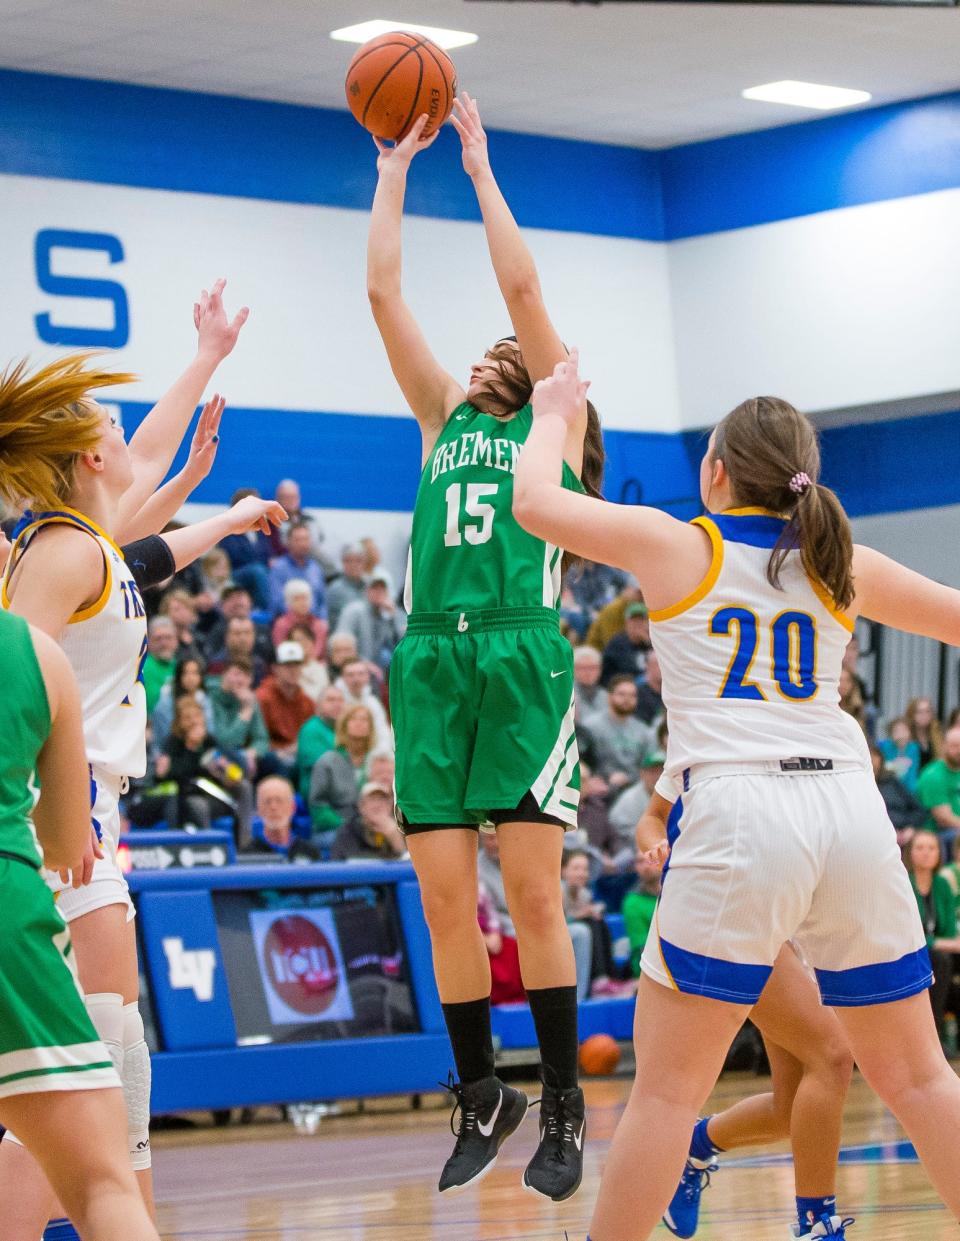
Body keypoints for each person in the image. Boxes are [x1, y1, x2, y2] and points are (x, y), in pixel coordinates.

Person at [513, 353, 960, 1239]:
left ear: (716, 472)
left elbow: (534, 506)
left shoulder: (679, 542)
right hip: (850, 811)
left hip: (740, 816)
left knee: (668, 1093)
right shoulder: (845, 562)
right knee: (921, 1078)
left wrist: (553, 414)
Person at [367, 94, 604, 1200]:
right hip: (429, 657)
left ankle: (562, 1094)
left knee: (537, 894)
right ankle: (480, 1088)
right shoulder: (439, 423)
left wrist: (477, 169)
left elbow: (521, 289)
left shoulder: (549, 423)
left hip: (517, 657)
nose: (490, 348)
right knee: (443, 896)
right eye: (488, 350)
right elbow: (382, 290)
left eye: (510, 348)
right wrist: (391, 168)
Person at [0, 319, 285, 1234]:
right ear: (89, 453)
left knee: (109, 1045)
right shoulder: (63, 549)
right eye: (115, 427)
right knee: (85, 1052)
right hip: (55, 810)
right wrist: (60, 797)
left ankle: (117, 1214)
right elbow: (17, 670)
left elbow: (147, 550)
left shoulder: (91, 540)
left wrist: (226, 510)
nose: (133, 435)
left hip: (85, 806)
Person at [0, 608, 161, 1241]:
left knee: (127, 1067)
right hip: (16, 893)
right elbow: (67, 843)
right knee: (100, 1179)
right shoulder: (34, 649)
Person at [636, 786, 855, 1240]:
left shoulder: (818, 742)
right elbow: (652, 816)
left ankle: (697, 1145)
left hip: (798, 917)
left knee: (788, 1108)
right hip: (738, 911)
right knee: (832, 1055)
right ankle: (817, 1224)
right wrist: (655, 845)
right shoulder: (713, 731)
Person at [906, 831, 960, 1039]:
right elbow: (905, 933)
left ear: (939, 853)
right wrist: (937, 942)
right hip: (910, 951)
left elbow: (949, 931)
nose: (926, 853)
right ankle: (933, 1037)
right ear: (910, 853)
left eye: (932, 848)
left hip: (940, 951)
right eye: (920, 848)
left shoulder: (942, 884)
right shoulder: (904, 883)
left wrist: (945, 942)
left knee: (944, 960)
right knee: (941, 960)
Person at [561, 849, 627, 998]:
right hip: (562, 937)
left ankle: (608, 978)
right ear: (563, 870)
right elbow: (555, 923)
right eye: (576, 868)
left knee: (598, 922)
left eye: (585, 869)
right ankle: (599, 981)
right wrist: (579, 915)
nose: (582, 873)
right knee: (589, 924)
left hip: (579, 931)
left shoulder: (585, 893)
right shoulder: (559, 890)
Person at [308, 703, 377, 834]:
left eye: (364, 719)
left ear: (371, 727)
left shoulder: (376, 760)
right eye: (353, 719)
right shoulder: (327, 761)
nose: (359, 723)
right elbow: (318, 805)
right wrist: (343, 825)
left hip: (373, 827)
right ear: (344, 725)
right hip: (336, 827)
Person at [208, 658, 271, 780]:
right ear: (224, 674)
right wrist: (245, 711)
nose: (241, 680)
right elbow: (224, 741)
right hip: (214, 753)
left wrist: (252, 752)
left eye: (247, 676)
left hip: (241, 753)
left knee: (273, 761)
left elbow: (262, 738)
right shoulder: (211, 696)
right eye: (236, 674)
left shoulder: (248, 697)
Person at [255, 640, 315, 769]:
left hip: (298, 753)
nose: (293, 670)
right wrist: (284, 750)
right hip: (271, 755)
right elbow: (258, 737)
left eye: (297, 665)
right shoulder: (263, 697)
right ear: (275, 668)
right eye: (287, 666)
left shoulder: (307, 702)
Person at [335, 568, 406, 672]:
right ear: (366, 591)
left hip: (376, 666)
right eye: (374, 588)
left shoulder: (386, 613)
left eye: (382, 589)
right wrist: (364, 663)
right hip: (353, 665)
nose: (379, 592)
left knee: (389, 657)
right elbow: (341, 644)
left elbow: (402, 642)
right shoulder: (353, 610)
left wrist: (393, 617)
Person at [589, 675, 652, 789]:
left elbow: (647, 765)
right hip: (600, 788)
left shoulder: (643, 730)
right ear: (609, 696)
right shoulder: (591, 727)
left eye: (632, 695)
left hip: (635, 787)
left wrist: (630, 779)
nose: (627, 699)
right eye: (621, 694)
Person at [150, 653, 213, 750]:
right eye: (185, 673)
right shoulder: (165, 704)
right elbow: (166, 737)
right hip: (171, 752)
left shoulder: (204, 699)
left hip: (202, 749)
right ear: (179, 676)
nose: (190, 678)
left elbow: (211, 730)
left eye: (195, 673)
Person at [330, 781, 406, 861]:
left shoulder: (402, 827)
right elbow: (349, 859)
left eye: (382, 799)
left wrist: (394, 836)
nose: (377, 805)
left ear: (390, 806)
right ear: (361, 806)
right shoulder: (349, 830)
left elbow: (408, 862)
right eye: (372, 800)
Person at [296, 684, 345, 803]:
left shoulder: (346, 728)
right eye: (330, 700)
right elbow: (322, 765)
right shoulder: (311, 729)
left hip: (345, 787)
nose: (336, 704)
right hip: (320, 794)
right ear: (318, 706)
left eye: (340, 700)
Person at [268, 520, 328, 618]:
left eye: (305, 539)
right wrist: (301, 615)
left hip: (313, 623)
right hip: (287, 623)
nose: (302, 544)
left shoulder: (316, 569)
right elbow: (277, 602)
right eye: (298, 540)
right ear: (288, 542)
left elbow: (322, 603)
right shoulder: (279, 568)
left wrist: (322, 621)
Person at [917, 726, 960, 859]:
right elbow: (944, 819)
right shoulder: (933, 775)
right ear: (944, 746)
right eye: (954, 746)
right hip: (938, 834)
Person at [870, 746, 924, 845]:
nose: (873, 760)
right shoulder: (860, 787)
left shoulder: (892, 781)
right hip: (877, 836)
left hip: (905, 832)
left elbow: (917, 809)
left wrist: (911, 828)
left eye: (875, 756)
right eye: (869, 756)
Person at [336, 657, 392, 750]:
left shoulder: (373, 702)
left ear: (368, 676)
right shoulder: (335, 699)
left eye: (360, 674)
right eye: (350, 675)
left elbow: (383, 732)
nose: (356, 679)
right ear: (343, 677)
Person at [271, 577, 329, 656]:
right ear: (288, 603)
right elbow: (281, 652)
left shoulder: (320, 626)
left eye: (305, 598)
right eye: (297, 599)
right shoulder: (281, 625)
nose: (302, 603)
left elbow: (318, 653)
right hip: (290, 663)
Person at [600, 602, 651, 685]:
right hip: (621, 684)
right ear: (626, 623)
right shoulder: (618, 643)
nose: (638, 624)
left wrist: (648, 643)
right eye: (634, 620)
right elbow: (627, 669)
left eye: (641, 620)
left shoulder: (651, 642)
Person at [326, 543, 368, 629]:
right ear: (343, 563)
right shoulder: (335, 590)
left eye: (358, 561)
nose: (354, 565)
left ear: (364, 563)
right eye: (349, 561)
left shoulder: (371, 586)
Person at [141, 616, 178, 713]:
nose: (164, 643)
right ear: (148, 642)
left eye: (168, 638)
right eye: (158, 638)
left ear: (176, 641)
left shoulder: (184, 667)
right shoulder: (141, 669)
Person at [879, 716, 922, 792]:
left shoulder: (914, 748)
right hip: (890, 788)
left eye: (904, 730)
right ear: (891, 734)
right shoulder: (886, 747)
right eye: (896, 731)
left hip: (909, 789)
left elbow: (913, 772)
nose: (901, 734)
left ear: (910, 732)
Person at [573, 645, 607, 725]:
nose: (588, 672)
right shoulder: (566, 695)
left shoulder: (606, 696)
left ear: (600, 670)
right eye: (583, 668)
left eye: (592, 668)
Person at [906, 696, 943, 771]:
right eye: (919, 712)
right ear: (912, 715)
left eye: (928, 711)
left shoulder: (938, 736)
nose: (924, 715)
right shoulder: (906, 736)